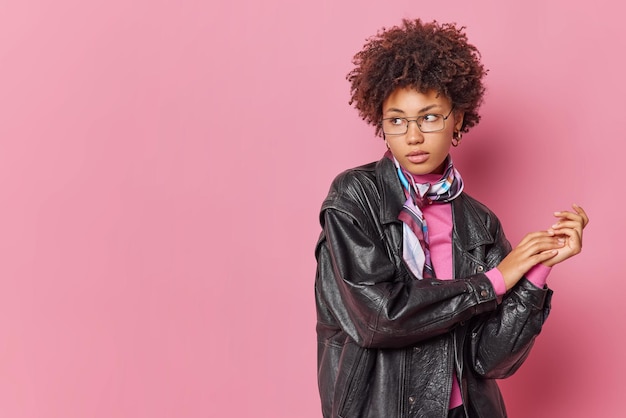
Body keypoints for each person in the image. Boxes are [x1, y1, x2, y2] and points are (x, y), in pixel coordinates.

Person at [314, 19, 588, 418]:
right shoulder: (355, 196)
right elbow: (376, 318)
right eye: (397, 120)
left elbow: (491, 362)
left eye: (429, 117)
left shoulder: (479, 224)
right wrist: (493, 281)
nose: (412, 136)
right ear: (382, 124)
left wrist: (534, 274)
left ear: (456, 119)